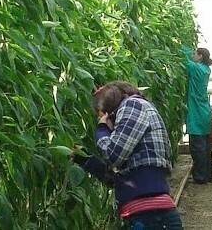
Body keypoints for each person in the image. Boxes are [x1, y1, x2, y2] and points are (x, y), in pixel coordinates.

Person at [73, 81, 184, 230]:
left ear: (109, 113)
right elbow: (119, 180)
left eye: (101, 117)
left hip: (150, 218)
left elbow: (113, 155)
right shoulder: (137, 114)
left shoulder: (132, 105)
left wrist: (102, 129)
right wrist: (83, 158)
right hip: (151, 216)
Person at [182, 46, 212, 184]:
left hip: (196, 113)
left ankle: (200, 177)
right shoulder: (206, 69)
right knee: (205, 147)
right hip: (204, 111)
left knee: (197, 148)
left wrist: (180, 44)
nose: (192, 55)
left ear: (200, 56)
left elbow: (183, 57)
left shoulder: (196, 68)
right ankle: (207, 175)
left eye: (195, 54)